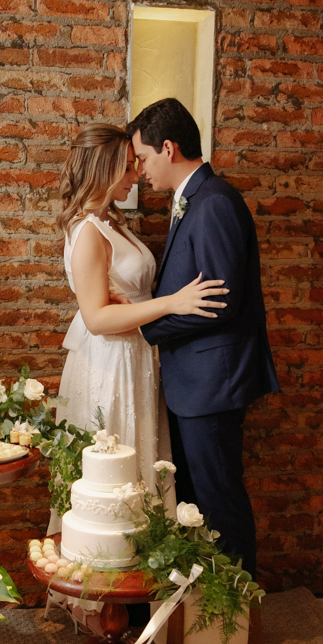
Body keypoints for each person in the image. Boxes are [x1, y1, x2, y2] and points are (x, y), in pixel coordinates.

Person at [127, 98, 279, 576]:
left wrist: (148, 325)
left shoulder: (214, 203)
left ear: (168, 148)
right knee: (198, 502)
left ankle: (236, 620)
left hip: (213, 383)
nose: (142, 171)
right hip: (196, 382)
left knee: (220, 501)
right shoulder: (195, 200)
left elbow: (221, 301)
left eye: (144, 158)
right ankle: (209, 622)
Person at [50, 123, 228, 520]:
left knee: (142, 463)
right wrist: (172, 304)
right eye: (129, 168)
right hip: (110, 364)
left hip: (136, 356)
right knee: (114, 478)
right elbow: (96, 318)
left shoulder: (111, 223)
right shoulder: (88, 232)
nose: (137, 176)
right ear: (105, 169)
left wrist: (138, 304)